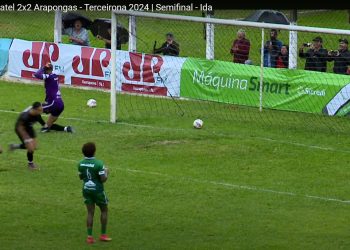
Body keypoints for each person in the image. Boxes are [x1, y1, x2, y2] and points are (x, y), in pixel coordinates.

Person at [78, 142, 111, 244]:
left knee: (90, 213)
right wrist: (106, 172)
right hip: (98, 191)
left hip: (86, 190)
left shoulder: (80, 163)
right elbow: (103, 179)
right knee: (104, 211)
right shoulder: (99, 164)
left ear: (83, 152)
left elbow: (80, 177)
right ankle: (103, 235)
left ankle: (89, 237)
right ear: (94, 151)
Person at [34, 62, 74, 133]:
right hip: (60, 104)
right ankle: (67, 129)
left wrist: (42, 68)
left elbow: (37, 75)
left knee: (35, 110)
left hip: (54, 103)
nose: (44, 71)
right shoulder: (54, 76)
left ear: (47, 70)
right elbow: (52, 89)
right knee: (49, 125)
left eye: (45, 70)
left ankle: (45, 127)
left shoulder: (49, 76)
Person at [9, 102, 45, 170]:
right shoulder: (25, 116)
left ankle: (14, 146)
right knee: (30, 148)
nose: (41, 112)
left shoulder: (37, 114)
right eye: (40, 110)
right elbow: (20, 127)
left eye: (42, 109)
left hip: (29, 127)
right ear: (34, 110)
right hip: (21, 129)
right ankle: (30, 164)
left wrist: (46, 125)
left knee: (34, 147)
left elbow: (42, 122)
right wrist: (26, 138)